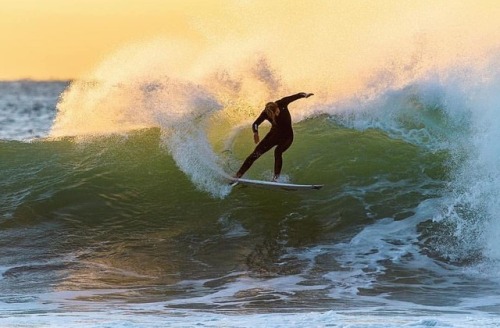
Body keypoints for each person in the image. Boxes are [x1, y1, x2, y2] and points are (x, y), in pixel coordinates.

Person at [234, 92, 314, 181]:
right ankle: (238, 175)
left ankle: (276, 178)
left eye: (276, 111)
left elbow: (296, 96)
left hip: (287, 137)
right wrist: (255, 133)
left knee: (278, 151)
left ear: (277, 107)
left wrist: (305, 95)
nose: (277, 114)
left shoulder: (282, 103)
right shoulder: (266, 113)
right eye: (274, 114)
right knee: (255, 154)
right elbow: (256, 123)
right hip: (273, 135)